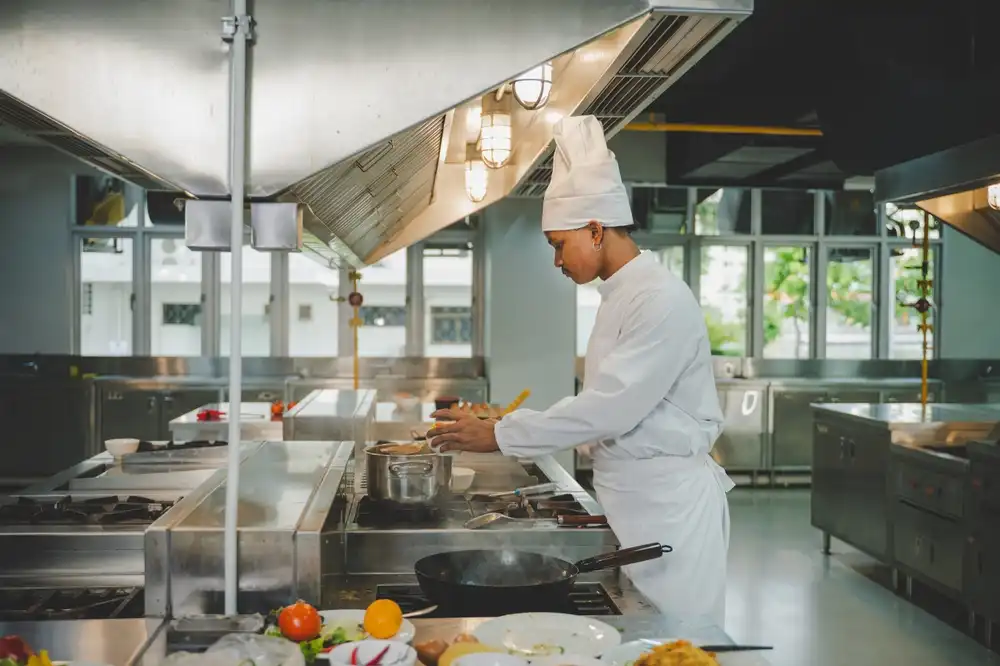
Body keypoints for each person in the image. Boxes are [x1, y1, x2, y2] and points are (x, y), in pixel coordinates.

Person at [428, 115, 734, 628]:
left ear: (595, 230)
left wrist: (503, 433)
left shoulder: (659, 299)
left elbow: (609, 409)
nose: (555, 260)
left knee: (679, 644)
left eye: (557, 243)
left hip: (671, 514)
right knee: (641, 641)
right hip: (634, 506)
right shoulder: (620, 296)